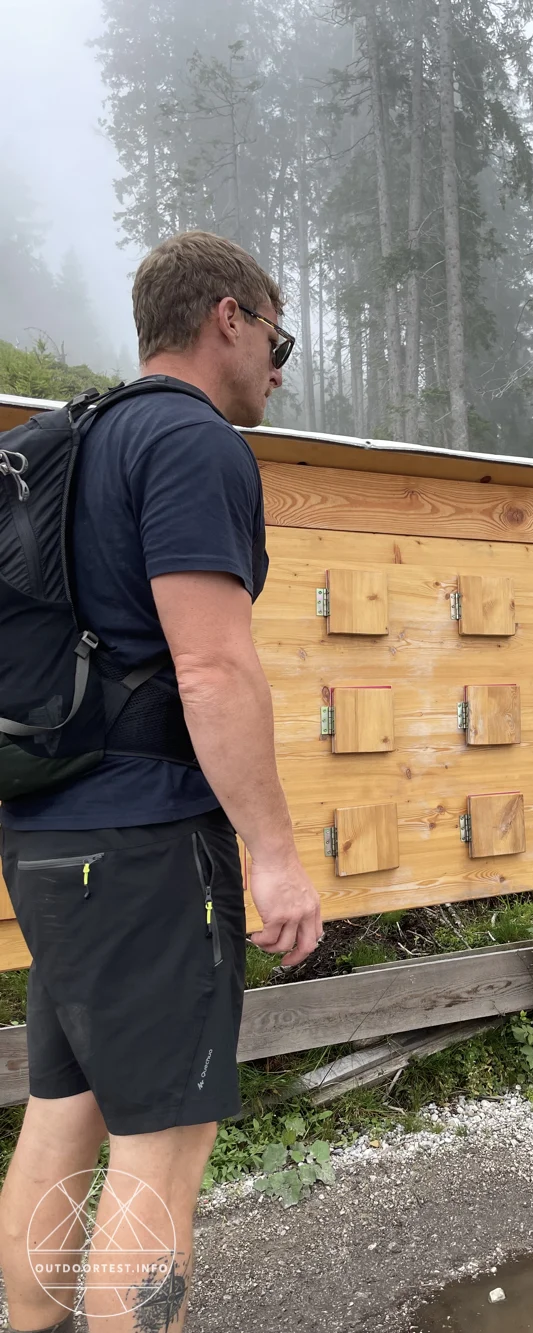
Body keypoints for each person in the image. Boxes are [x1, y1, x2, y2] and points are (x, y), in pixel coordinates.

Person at [0, 230, 323, 1332]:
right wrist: (273, 856)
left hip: (49, 832)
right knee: (162, 1152)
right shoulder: (190, 445)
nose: (279, 366)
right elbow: (213, 663)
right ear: (225, 317)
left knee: (62, 1117)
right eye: (277, 338)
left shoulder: (63, 440)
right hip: (147, 847)